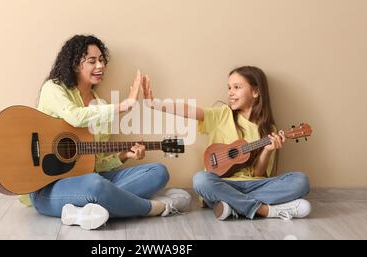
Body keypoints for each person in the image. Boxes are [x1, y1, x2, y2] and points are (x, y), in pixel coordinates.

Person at [21, 35, 191, 230]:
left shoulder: (100, 105)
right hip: (47, 189)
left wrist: (124, 155)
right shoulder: (54, 88)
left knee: (158, 172)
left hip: (89, 180)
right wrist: (124, 105)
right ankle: (156, 207)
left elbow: (95, 163)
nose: (100, 65)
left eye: (102, 60)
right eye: (92, 61)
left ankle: (83, 213)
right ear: (75, 64)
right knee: (95, 184)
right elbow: (75, 116)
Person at [143, 66, 311, 221]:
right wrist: (155, 105)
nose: (230, 92)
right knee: (201, 180)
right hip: (222, 184)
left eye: (237, 87)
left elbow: (259, 174)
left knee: (300, 181)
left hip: (253, 185)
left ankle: (233, 206)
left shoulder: (268, 130)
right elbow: (189, 110)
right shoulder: (222, 115)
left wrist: (267, 151)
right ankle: (265, 210)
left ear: (256, 92)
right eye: (229, 87)